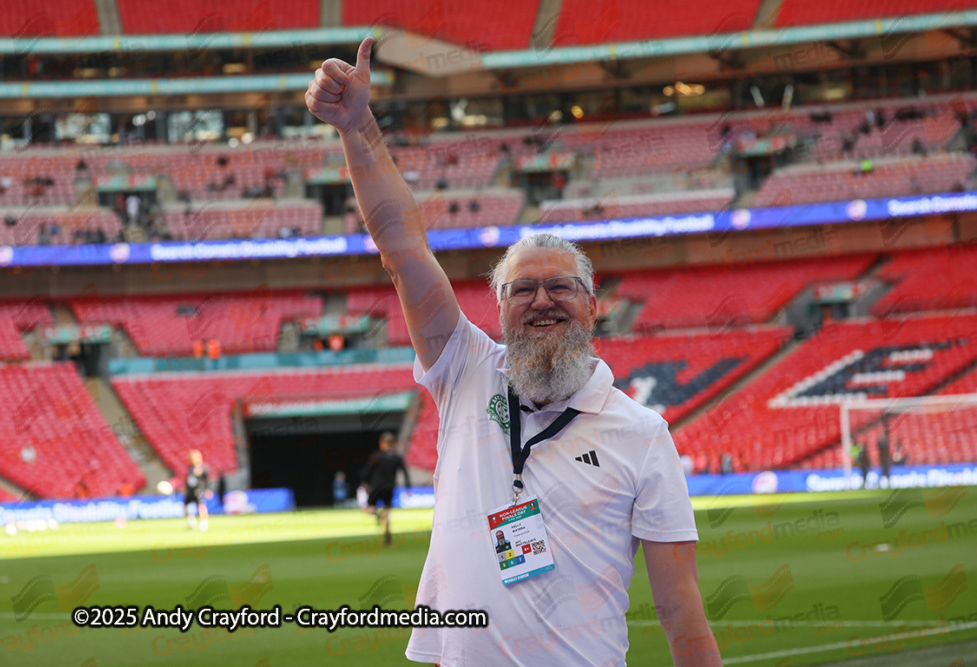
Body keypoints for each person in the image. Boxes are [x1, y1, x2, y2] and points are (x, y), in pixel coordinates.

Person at [306, 37, 720, 666]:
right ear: (498, 307)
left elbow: (679, 609)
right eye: (521, 288)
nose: (541, 300)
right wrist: (359, 127)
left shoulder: (641, 433)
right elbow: (403, 249)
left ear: (592, 303)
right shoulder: (465, 368)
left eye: (560, 286)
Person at [360, 431, 411, 546]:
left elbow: (367, 472)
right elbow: (405, 473)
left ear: (382, 443)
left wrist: (364, 483)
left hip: (376, 487)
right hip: (389, 488)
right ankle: (388, 539)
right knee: (387, 513)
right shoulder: (397, 458)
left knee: (367, 508)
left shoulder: (377, 456)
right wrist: (408, 487)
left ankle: (377, 515)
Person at [184, 449, 212, 531]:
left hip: (198, 491)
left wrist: (208, 490)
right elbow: (189, 480)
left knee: (201, 506)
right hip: (190, 491)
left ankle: (204, 523)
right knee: (185, 507)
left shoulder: (203, 468)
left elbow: (207, 480)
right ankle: (192, 521)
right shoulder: (190, 468)